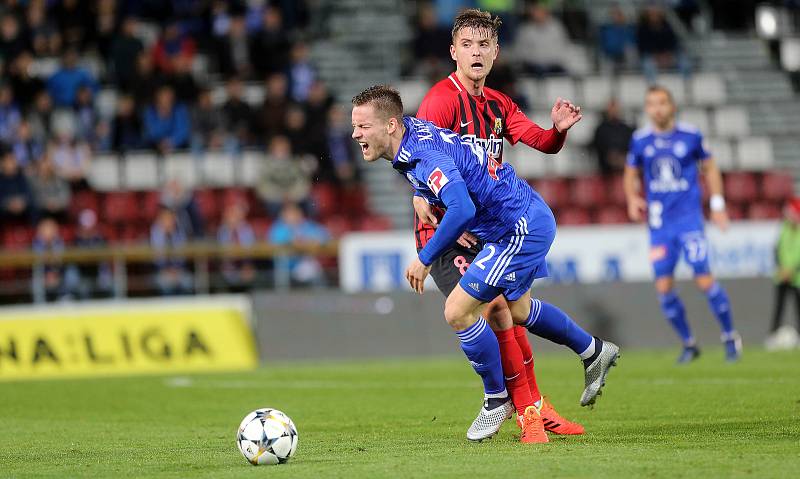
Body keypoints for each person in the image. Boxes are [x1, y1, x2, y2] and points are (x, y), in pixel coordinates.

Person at [351, 85, 620, 444]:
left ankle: (498, 398)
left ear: (390, 125)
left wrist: (425, 258)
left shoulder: (422, 153)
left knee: (458, 311)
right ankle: (593, 351)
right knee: (518, 307)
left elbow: (462, 207)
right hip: (522, 217)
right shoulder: (414, 131)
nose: (355, 134)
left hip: (516, 228)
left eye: (362, 126)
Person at [414, 9, 587, 441]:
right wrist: (423, 199)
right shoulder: (440, 101)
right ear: (454, 52)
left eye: (484, 45)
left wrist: (558, 131)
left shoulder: (498, 104)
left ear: (495, 53)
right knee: (492, 308)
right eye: (468, 45)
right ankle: (512, 403)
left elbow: (540, 141)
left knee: (512, 310)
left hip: (490, 227)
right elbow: (420, 158)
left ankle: (534, 406)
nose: (476, 52)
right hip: (447, 229)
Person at [624, 85, 741, 363]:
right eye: (652, 104)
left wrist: (717, 205)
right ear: (647, 108)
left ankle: (729, 336)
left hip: (689, 222)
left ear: (672, 106)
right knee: (664, 290)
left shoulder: (691, 135)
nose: (657, 108)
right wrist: (631, 198)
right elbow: (630, 172)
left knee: (704, 280)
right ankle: (689, 343)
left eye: (662, 102)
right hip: (659, 226)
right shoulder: (640, 140)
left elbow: (710, 168)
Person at [765, 198, 800, 350]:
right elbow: (777, 249)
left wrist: (793, 270)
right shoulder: (784, 227)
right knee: (779, 307)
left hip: (797, 277)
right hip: (782, 275)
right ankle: (772, 336)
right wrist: (781, 267)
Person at [592, 99, 634, 175]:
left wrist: (622, 157)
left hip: (624, 165)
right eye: (611, 108)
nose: (614, 111)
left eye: (615, 108)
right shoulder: (601, 129)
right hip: (606, 169)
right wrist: (610, 157)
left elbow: (632, 145)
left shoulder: (626, 129)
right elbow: (597, 146)